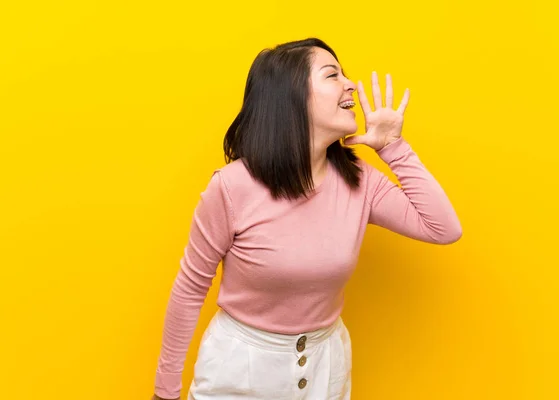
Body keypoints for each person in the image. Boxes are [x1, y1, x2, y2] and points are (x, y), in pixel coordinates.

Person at [152, 37, 462, 400]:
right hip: (240, 368)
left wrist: (393, 146)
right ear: (292, 97)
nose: (350, 84)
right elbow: (189, 290)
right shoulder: (232, 187)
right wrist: (165, 392)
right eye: (332, 75)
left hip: (326, 367)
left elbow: (443, 228)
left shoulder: (360, 181)